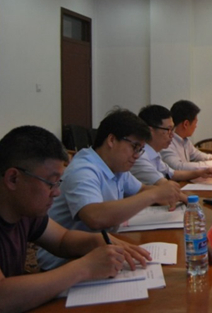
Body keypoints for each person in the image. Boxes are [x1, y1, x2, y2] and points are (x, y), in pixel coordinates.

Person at [0, 126, 151, 312]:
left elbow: (61, 239)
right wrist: (84, 268)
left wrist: (97, 241)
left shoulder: (20, 207)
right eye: (50, 183)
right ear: (13, 179)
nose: (57, 192)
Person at [38, 108, 185, 270]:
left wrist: (172, 194)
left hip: (99, 249)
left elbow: (142, 189)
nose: (137, 155)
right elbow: (94, 217)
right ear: (112, 140)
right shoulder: (83, 169)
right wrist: (154, 194)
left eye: (140, 149)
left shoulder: (116, 166)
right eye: (134, 147)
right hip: (64, 263)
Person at [131, 104, 212, 184]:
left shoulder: (154, 153)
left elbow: (172, 173)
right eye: (168, 130)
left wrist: (200, 172)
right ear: (150, 131)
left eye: (172, 129)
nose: (172, 135)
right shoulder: (139, 157)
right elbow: (164, 185)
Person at [161, 100, 212, 172]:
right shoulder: (167, 143)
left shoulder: (185, 140)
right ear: (186, 124)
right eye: (195, 123)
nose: (196, 126)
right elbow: (179, 167)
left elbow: (197, 155)